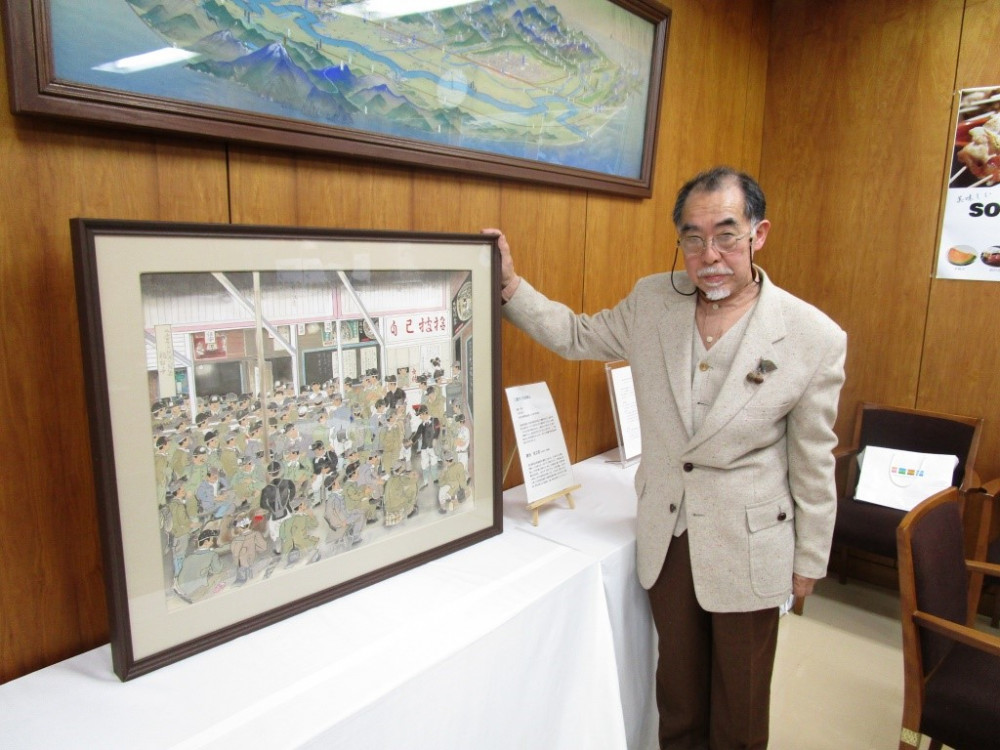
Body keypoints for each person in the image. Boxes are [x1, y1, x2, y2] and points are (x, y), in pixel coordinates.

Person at [486, 166, 847, 750]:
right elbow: (576, 336)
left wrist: (810, 558)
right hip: (668, 532)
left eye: (727, 234)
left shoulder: (811, 336)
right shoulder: (653, 300)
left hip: (752, 544)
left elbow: (814, 458)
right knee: (677, 700)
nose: (710, 254)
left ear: (759, 234)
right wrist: (509, 286)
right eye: (693, 236)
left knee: (741, 711)